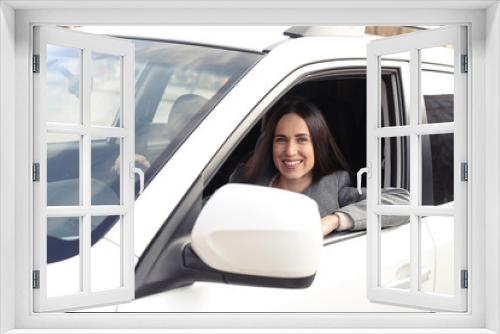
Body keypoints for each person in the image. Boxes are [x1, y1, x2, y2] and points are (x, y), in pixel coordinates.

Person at [231, 97, 409, 236]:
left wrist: (334, 220)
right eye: (281, 140)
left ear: (317, 144)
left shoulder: (333, 186)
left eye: (302, 139)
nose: (290, 151)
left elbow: (403, 201)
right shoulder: (247, 181)